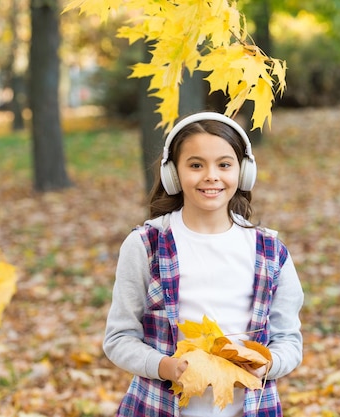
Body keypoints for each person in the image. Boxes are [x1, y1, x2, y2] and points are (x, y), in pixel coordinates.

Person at [103, 111, 304, 417]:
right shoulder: (146, 246)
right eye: (196, 165)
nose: (211, 176)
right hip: (158, 408)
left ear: (244, 171)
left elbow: (288, 339)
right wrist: (166, 367)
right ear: (174, 174)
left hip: (251, 409)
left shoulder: (270, 252)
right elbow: (119, 339)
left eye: (224, 164)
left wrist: (270, 364)